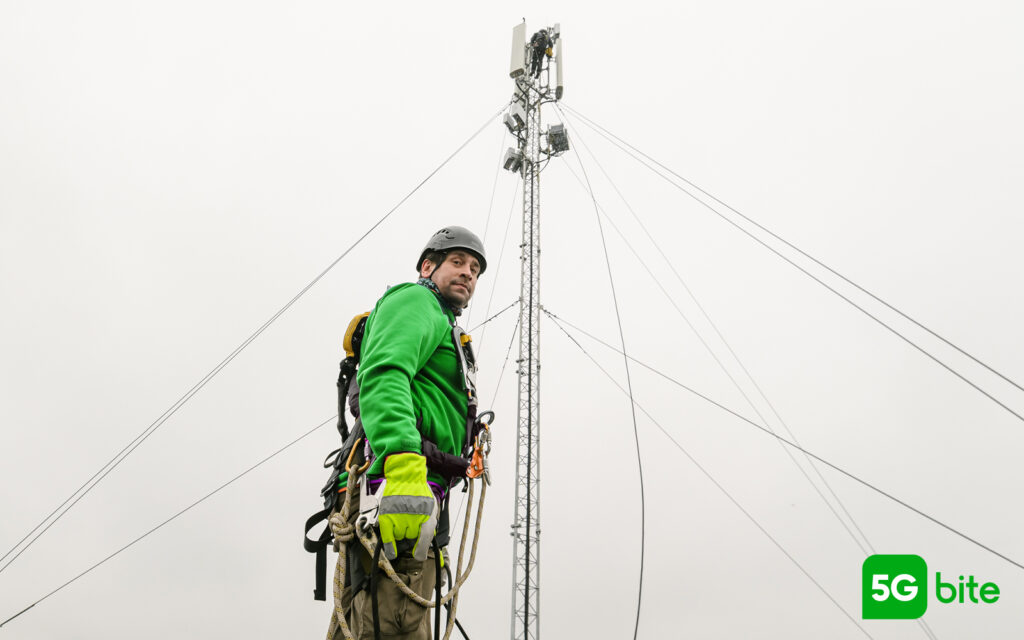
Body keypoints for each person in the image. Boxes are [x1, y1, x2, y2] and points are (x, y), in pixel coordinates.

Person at [327, 226, 487, 640]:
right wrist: (401, 461)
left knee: (393, 618)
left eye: (474, 268)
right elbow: (385, 373)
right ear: (427, 266)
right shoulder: (417, 300)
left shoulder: (442, 322)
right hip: (402, 479)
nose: (467, 273)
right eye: (457, 262)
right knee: (395, 624)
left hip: (421, 485)